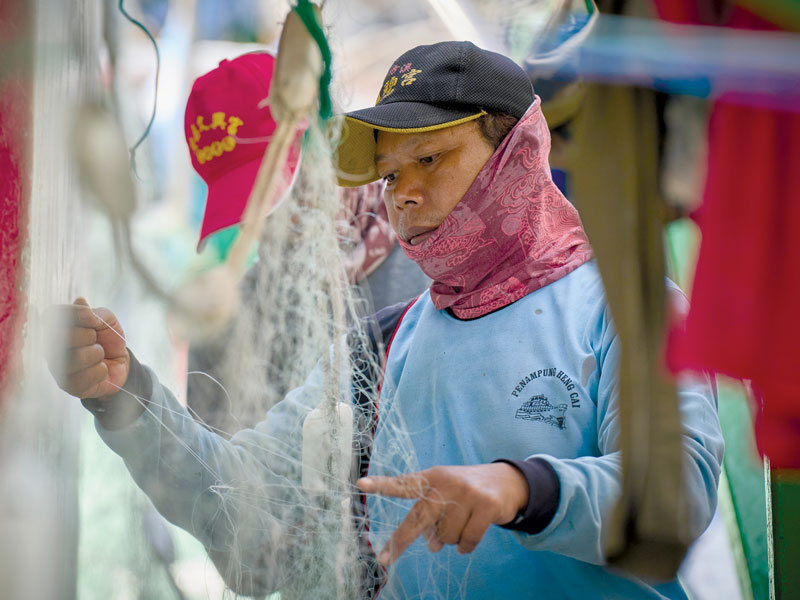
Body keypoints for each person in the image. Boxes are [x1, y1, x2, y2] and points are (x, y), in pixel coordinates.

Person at [48, 41, 723, 599]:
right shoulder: (380, 345)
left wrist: (521, 487)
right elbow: (239, 499)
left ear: (518, 153)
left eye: (429, 159)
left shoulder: (626, 307)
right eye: (390, 176)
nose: (405, 194)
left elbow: (678, 496)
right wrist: (125, 395)